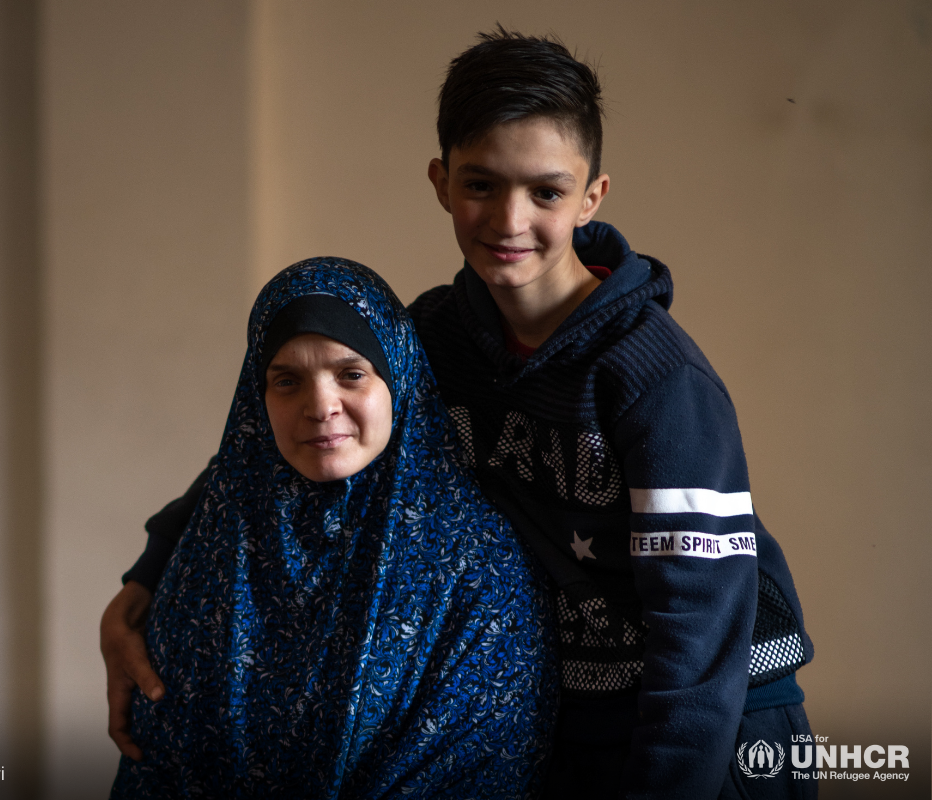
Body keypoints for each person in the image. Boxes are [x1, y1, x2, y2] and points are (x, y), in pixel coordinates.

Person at [103, 29, 815, 799]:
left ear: (592, 196)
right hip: (578, 709)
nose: (509, 219)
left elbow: (700, 629)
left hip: (719, 719)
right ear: (442, 183)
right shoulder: (436, 338)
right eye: (481, 185)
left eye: (544, 191)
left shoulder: (656, 378)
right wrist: (150, 573)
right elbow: (281, 443)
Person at [109, 258, 558, 797]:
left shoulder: (477, 568)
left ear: (398, 379)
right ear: (257, 400)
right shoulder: (213, 548)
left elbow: (484, 764)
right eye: (286, 381)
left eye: (351, 374)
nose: (320, 406)